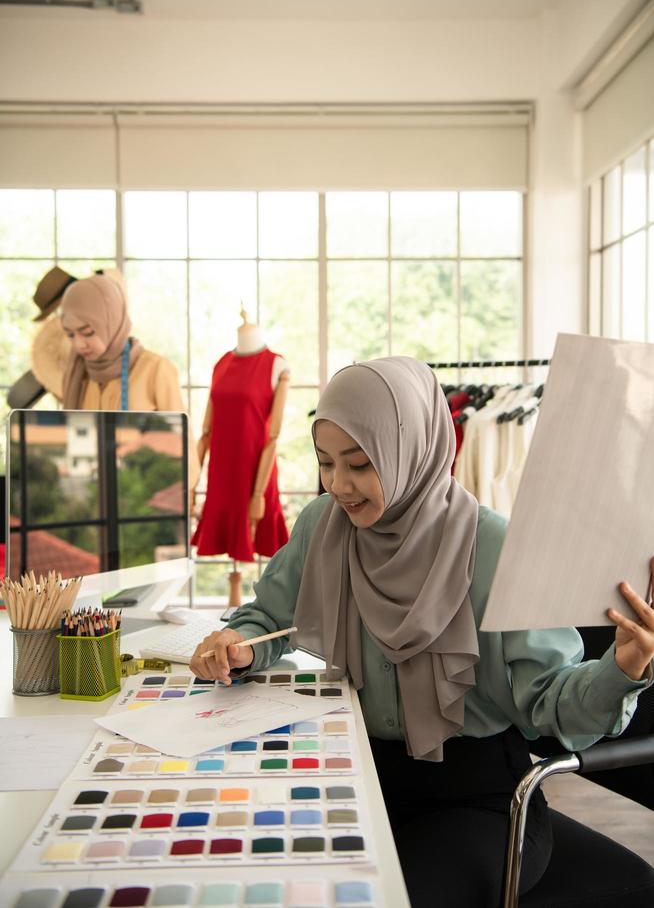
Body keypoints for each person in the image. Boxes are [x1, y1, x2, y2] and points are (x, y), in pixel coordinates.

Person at [191, 356, 654, 908]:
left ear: (413, 451)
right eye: (325, 463)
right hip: (352, 775)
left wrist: (620, 670)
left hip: (481, 801)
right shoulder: (324, 526)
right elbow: (268, 620)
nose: (339, 485)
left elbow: (551, 706)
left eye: (361, 464)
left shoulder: (498, 549)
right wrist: (238, 648)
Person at [59, 272, 199, 484]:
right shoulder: (77, 376)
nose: (78, 344)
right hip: (94, 496)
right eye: (70, 334)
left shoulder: (155, 370)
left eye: (87, 332)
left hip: (146, 497)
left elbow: (186, 455)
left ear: (112, 321)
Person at [191, 309, 289, 604]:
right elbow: (206, 429)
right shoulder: (221, 363)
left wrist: (258, 493)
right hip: (222, 471)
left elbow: (273, 435)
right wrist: (192, 485)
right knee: (228, 541)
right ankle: (233, 605)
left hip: (255, 470)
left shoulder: (276, 365)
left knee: (260, 543)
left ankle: (263, 608)